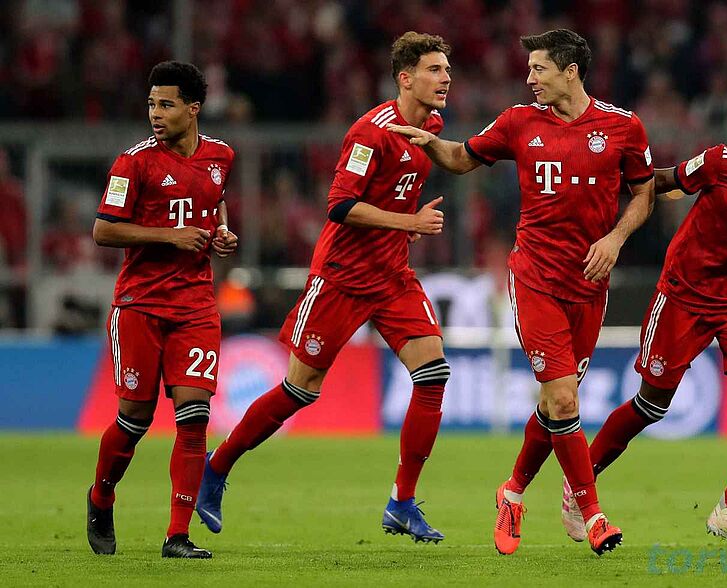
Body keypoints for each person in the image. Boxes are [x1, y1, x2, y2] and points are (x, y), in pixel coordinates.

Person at [389, 29, 655, 556]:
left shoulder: (623, 127)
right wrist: (430, 142)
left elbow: (644, 193)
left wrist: (615, 238)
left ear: (570, 71)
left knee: (556, 404)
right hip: (535, 277)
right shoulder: (517, 122)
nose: (529, 78)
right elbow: (463, 158)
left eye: (539, 68)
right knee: (564, 397)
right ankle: (593, 514)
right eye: (529, 68)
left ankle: (511, 493)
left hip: (590, 283)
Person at [195, 31, 453, 544]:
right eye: (435, 70)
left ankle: (402, 502)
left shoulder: (432, 127)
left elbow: (408, 182)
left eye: (447, 69)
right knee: (299, 390)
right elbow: (339, 205)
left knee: (433, 374)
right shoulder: (369, 133)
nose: (446, 78)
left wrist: (407, 220)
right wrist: (408, 223)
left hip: (392, 276)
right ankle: (216, 466)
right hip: (341, 278)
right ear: (405, 79)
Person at [562, 94, 727, 552]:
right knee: (651, 406)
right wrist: (601, 185)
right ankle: (580, 481)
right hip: (683, 293)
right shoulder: (726, 162)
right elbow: (665, 180)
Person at [87, 61, 239, 559]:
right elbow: (104, 230)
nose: (155, 113)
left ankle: (177, 535)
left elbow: (214, 201)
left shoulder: (221, 156)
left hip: (196, 306)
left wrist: (221, 231)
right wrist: (169, 237)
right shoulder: (133, 163)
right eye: (151, 104)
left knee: (194, 419)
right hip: (140, 305)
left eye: (166, 104)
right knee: (134, 418)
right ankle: (101, 496)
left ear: (193, 109)